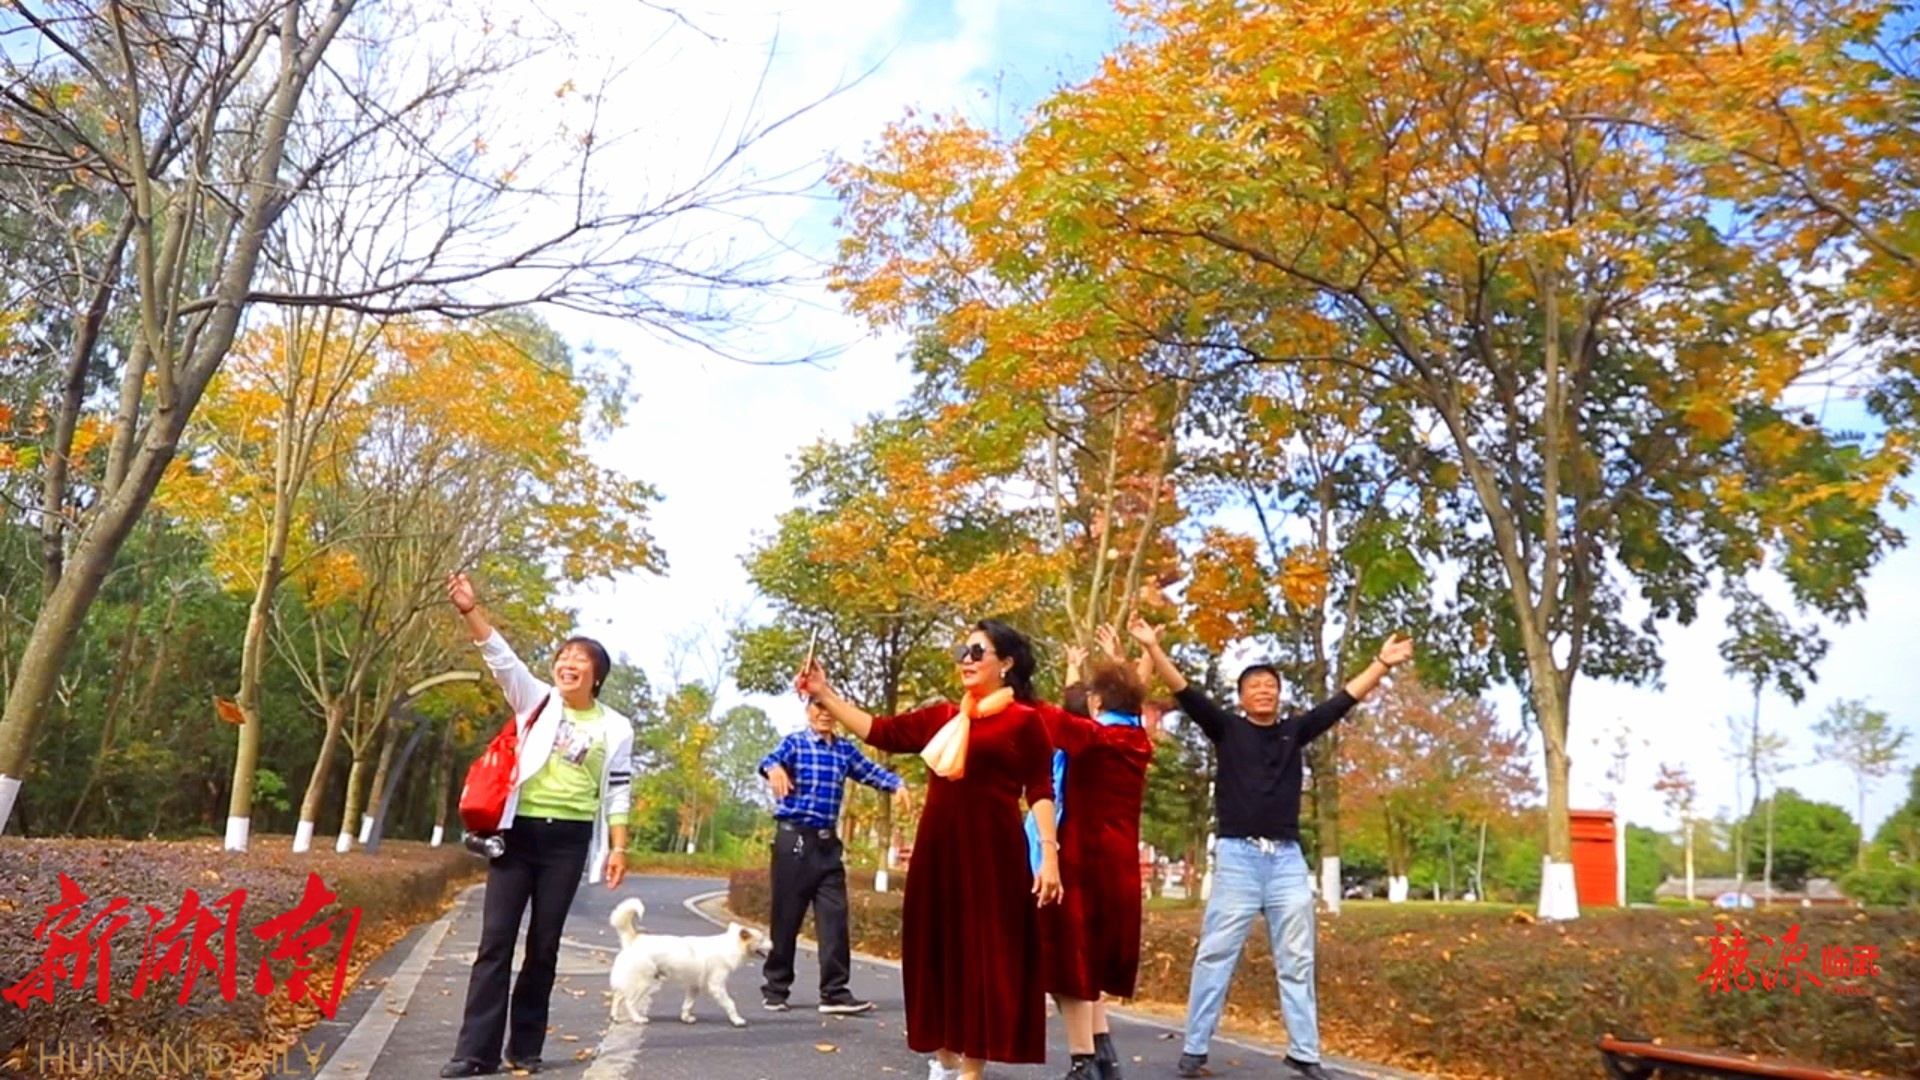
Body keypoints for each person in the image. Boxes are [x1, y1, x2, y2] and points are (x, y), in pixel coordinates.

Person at [1129, 613, 1413, 1080]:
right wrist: (1153, 649)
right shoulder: (1226, 728)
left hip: (1286, 862)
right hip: (1237, 859)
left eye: (1271, 685)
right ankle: (1195, 1048)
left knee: (1298, 960)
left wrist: (1380, 664)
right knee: (1215, 955)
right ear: (1242, 697)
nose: (1264, 691)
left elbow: (1342, 701)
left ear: (1279, 695)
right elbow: (1184, 691)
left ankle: (1304, 1052)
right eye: (1255, 685)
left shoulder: (1294, 732)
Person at [797, 619, 1064, 1080]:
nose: (966, 659)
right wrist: (824, 693)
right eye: (963, 651)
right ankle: (944, 1059)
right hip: (938, 857)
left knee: (983, 960)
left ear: (1006, 663)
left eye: (978, 652)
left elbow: (1041, 788)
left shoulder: (1025, 721)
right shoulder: (943, 718)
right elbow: (880, 731)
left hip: (993, 859)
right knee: (936, 955)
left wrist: (1050, 855)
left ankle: (972, 1070)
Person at [440, 572, 635, 1079]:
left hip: (568, 842)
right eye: (563, 657)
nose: (568, 664)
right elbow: (500, 657)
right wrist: (470, 610)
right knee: (495, 942)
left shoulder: (616, 727)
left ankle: (524, 1048)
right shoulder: (537, 700)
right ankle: (475, 1053)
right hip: (518, 835)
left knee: (544, 946)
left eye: (580, 660)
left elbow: (618, 789)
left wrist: (618, 848)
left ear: (596, 676)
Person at [1033, 627, 1155, 1080]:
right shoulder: (1136, 739)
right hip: (1119, 867)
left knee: (1068, 963)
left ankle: (1083, 1062)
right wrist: (1119, 661)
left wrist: (1011, 680)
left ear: (1098, 703)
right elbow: (1079, 712)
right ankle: (1103, 1053)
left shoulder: (1092, 739)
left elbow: (1055, 716)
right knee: (1089, 961)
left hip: (1078, 864)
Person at [757, 698, 910, 1015]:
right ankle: (776, 989)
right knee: (787, 917)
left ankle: (834, 992)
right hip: (795, 840)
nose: (824, 714)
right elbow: (770, 760)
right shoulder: (795, 743)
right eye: (818, 707)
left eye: (829, 709)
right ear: (808, 711)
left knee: (835, 918)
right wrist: (774, 768)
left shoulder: (844, 751)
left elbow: (870, 771)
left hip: (827, 845)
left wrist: (897, 784)